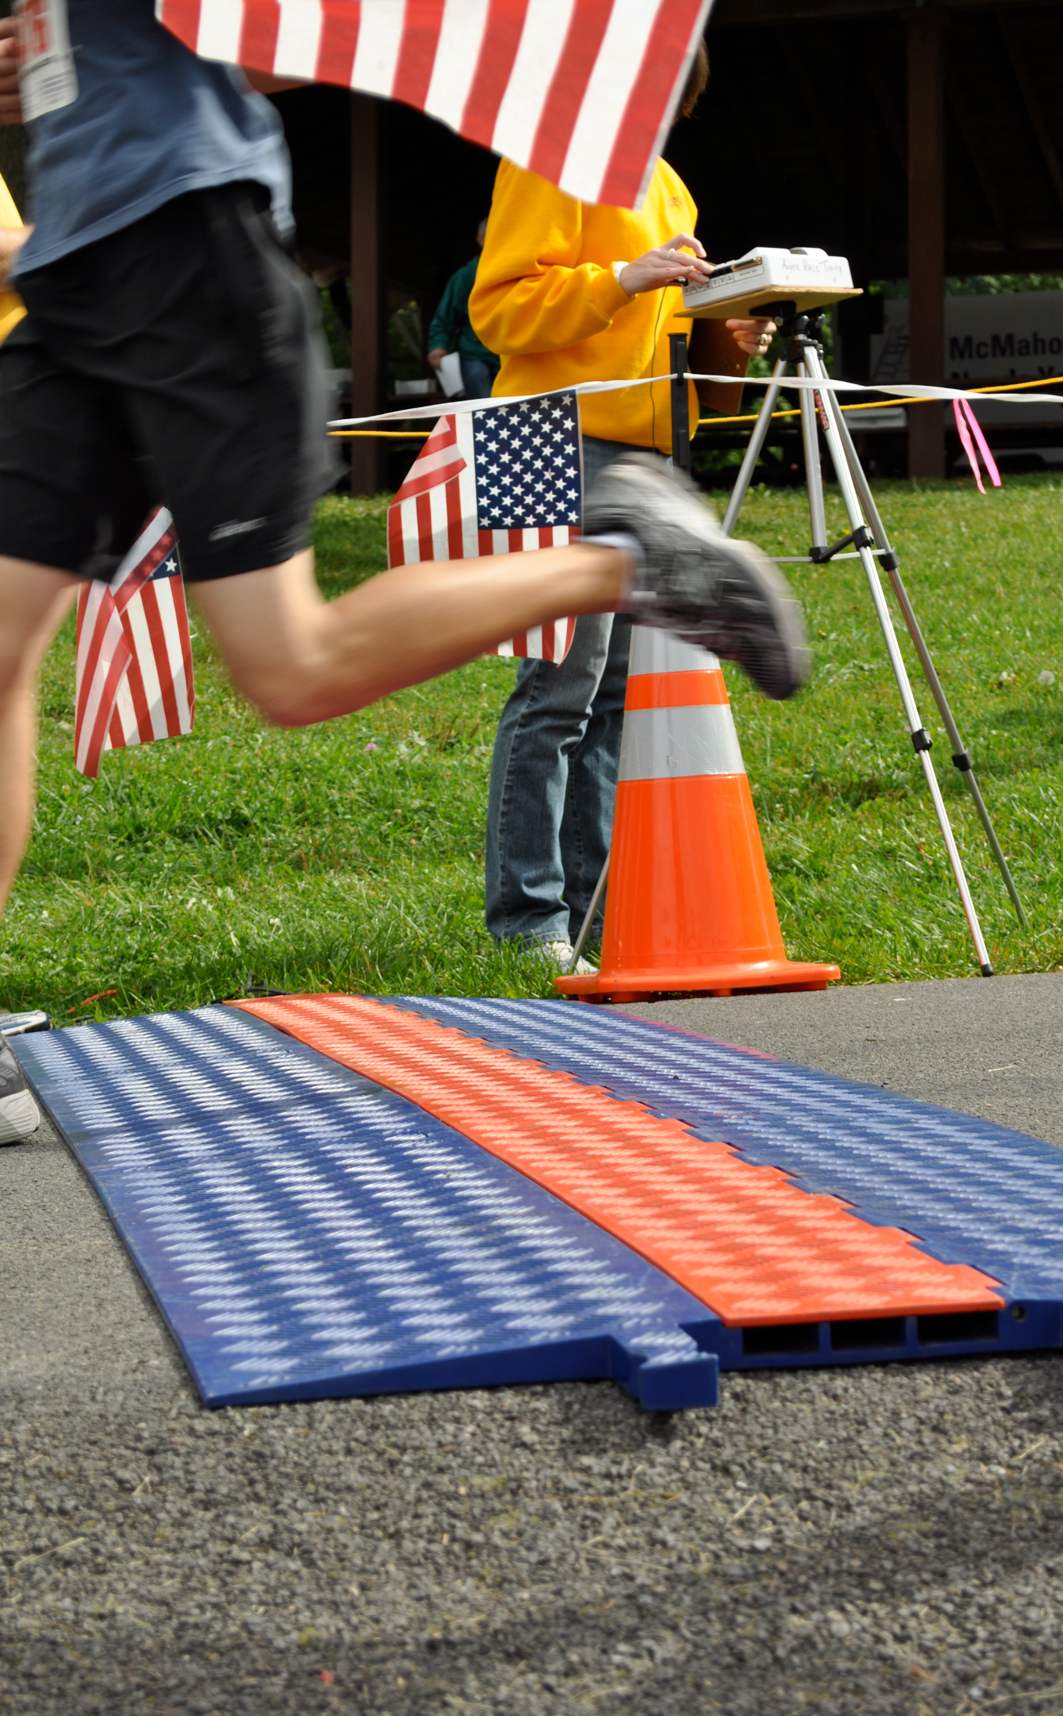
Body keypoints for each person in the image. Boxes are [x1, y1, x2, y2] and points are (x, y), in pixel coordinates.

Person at [0, 3, 807, 1143]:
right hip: (68, 274)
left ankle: (622, 555)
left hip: (181, 255)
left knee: (291, 667)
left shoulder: (641, 183)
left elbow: (280, 36)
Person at [469, 40, 780, 971]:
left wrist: (727, 334)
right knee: (559, 683)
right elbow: (498, 310)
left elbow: (666, 340)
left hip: (649, 451)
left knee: (614, 697)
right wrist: (622, 280)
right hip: (551, 436)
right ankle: (529, 925)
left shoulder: (670, 189)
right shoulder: (545, 157)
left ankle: (599, 916)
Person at [426, 220, 499, 400]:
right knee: (482, 405)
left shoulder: (520, 269)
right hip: (474, 352)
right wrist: (438, 346)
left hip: (510, 353)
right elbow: (445, 317)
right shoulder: (465, 276)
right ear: (480, 239)